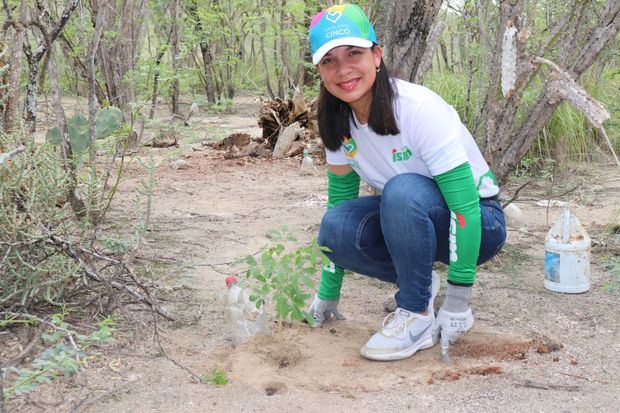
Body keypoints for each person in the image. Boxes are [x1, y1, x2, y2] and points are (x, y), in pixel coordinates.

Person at [306, 4, 506, 361]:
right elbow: (338, 205)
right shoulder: (336, 120)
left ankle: (414, 315)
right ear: (319, 71)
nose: (344, 69)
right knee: (335, 226)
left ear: (377, 55)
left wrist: (458, 302)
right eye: (329, 60)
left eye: (354, 53)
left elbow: (464, 207)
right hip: (410, 221)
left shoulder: (417, 108)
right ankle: (420, 286)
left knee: (402, 190)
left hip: (480, 222)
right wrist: (328, 294)